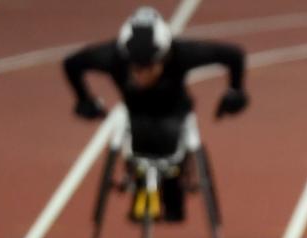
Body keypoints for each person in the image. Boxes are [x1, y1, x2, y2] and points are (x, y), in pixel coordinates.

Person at [62, 6, 248, 222]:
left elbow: (233, 55)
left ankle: (173, 194)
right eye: (136, 68)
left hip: (175, 113)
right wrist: (84, 100)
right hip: (136, 114)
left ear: (164, 56)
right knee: (136, 144)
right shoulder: (112, 56)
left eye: (150, 67)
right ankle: (141, 185)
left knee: (172, 151)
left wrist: (235, 92)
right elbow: (72, 64)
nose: (142, 75)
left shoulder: (181, 53)